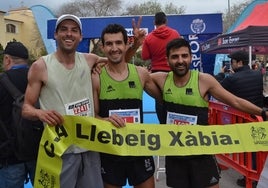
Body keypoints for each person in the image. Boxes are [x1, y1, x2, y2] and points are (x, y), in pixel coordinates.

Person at [22, 14, 144, 188]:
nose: (68, 34)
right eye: (63, 29)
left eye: (74, 30)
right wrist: (40, 113)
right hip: (61, 151)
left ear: (80, 36)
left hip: (90, 148)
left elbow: (118, 60)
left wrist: (136, 45)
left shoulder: (89, 60)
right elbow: (26, 108)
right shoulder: (40, 66)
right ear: (55, 34)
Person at [150, 38, 268, 188]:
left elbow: (235, 101)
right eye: (175, 57)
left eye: (184, 56)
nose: (180, 60)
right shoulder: (161, 79)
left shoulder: (204, 80)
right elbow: (134, 74)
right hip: (176, 156)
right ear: (167, 60)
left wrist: (263, 113)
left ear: (191, 57)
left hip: (201, 154)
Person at [92, 23, 162, 188]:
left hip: (138, 150)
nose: (114, 48)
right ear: (102, 47)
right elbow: (92, 116)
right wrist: (105, 120)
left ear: (125, 44)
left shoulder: (140, 73)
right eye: (109, 44)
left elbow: (164, 98)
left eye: (118, 43)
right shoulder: (96, 77)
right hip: (110, 151)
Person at [0, 42, 35, 187]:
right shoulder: (38, 79)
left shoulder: (1, 82)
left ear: (7, 59)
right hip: (37, 152)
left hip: (9, 156)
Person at [142, 12, 180, 124]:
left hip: (156, 74)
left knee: (159, 101)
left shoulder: (149, 38)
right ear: (166, 21)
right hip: (173, 72)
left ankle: (163, 126)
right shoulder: (175, 34)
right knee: (176, 99)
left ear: (154, 22)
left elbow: (144, 56)